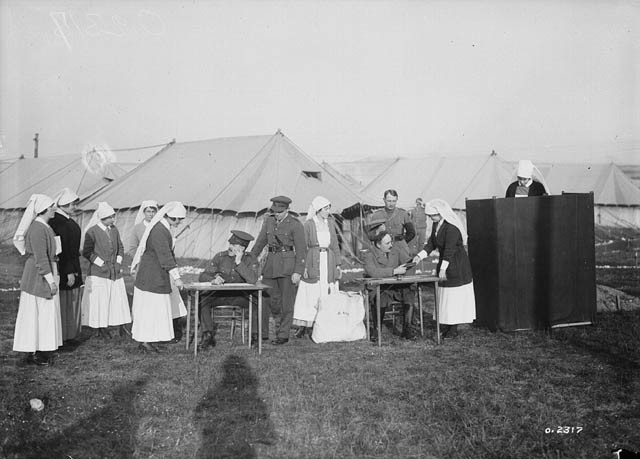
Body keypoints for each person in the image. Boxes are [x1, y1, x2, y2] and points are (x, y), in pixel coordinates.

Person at [412, 198, 476, 338]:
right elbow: (431, 245)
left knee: (454, 297)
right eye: (429, 216)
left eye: (432, 215)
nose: (431, 218)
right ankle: (448, 325)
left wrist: (443, 269)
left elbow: (449, 250)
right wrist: (419, 256)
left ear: (441, 213)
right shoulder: (437, 226)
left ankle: (453, 328)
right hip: (445, 264)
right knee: (445, 297)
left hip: (456, 265)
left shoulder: (451, 228)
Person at [12, 194, 63, 365]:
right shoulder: (37, 229)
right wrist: (51, 281)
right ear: (43, 210)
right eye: (51, 207)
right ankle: (34, 351)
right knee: (36, 313)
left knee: (44, 314)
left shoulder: (45, 227)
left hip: (45, 270)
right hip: (38, 275)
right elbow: (41, 259)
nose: (54, 209)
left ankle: (42, 349)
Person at [130, 201, 186, 352]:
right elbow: (165, 256)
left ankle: (150, 338)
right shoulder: (159, 230)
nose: (179, 223)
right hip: (151, 276)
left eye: (180, 220)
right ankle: (145, 341)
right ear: (170, 217)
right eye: (177, 220)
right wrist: (177, 277)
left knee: (154, 309)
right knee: (149, 309)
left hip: (156, 274)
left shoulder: (163, 228)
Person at [250, 195, 306, 345]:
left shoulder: (295, 224)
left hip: (288, 266)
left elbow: (301, 250)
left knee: (286, 303)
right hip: (270, 265)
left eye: (280, 211)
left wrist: (298, 271)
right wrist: (250, 259)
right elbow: (260, 242)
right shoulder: (269, 221)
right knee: (263, 299)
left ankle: (283, 334)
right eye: (275, 211)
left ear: (287, 209)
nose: (277, 214)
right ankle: (261, 333)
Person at [198, 230, 260, 349]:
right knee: (203, 300)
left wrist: (238, 262)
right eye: (230, 244)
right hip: (220, 295)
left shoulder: (250, 258)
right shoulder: (220, 257)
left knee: (256, 303)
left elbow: (253, 279)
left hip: (241, 296)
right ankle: (207, 335)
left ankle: (254, 336)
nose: (230, 247)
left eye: (234, 246)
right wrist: (213, 279)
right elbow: (203, 275)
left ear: (242, 248)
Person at [292, 196, 342, 339]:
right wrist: (305, 267)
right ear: (318, 209)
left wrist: (338, 265)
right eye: (326, 209)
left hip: (329, 261)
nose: (328, 211)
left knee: (326, 290)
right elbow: (303, 247)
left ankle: (325, 322)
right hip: (313, 260)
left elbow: (335, 246)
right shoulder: (308, 224)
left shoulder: (330, 224)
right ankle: (305, 325)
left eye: (329, 209)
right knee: (311, 293)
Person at [81, 202, 132, 338]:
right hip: (99, 272)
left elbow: (120, 247)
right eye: (109, 217)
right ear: (102, 218)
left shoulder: (114, 230)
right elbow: (87, 252)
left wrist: (118, 261)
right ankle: (100, 327)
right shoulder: (92, 232)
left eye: (113, 216)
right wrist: (101, 264)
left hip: (114, 270)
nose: (112, 220)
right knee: (100, 300)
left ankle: (118, 324)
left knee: (116, 298)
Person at [363, 231, 415, 341]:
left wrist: (411, 263)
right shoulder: (369, 255)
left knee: (409, 292)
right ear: (378, 244)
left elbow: (408, 263)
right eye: (387, 243)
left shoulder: (395, 251)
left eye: (391, 242)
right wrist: (394, 271)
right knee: (381, 298)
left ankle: (407, 329)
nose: (391, 245)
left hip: (394, 287)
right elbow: (373, 272)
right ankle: (377, 329)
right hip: (379, 289)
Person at [48, 188, 83, 346]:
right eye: (72, 205)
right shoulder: (58, 222)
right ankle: (62, 336)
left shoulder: (67, 219)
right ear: (64, 205)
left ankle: (69, 335)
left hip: (73, 264)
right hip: (65, 267)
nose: (75, 207)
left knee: (71, 302)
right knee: (64, 302)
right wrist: (69, 271)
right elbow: (62, 251)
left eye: (75, 204)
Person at [367, 189, 416, 261]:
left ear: (397, 200)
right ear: (384, 200)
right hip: (383, 249)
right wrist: (378, 235)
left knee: (404, 268)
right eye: (389, 201)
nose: (391, 204)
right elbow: (370, 236)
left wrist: (402, 242)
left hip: (400, 247)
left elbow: (411, 232)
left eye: (394, 201)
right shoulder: (377, 215)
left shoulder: (402, 214)